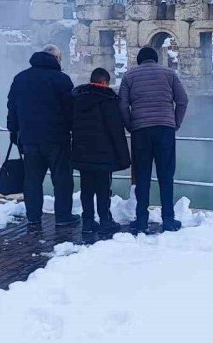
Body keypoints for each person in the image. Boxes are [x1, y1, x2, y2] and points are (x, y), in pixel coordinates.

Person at [6, 44, 79, 227]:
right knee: (62, 179)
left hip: (29, 139)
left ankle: (33, 217)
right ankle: (63, 217)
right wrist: (73, 130)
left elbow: (12, 108)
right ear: (56, 59)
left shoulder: (20, 78)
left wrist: (14, 132)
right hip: (57, 139)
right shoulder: (61, 80)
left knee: (32, 180)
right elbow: (71, 109)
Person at [118, 46, 189, 233]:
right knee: (166, 175)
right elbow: (182, 100)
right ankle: (168, 220)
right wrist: (175, 123)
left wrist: (130, 125)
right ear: (156, 59)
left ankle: (141, 221)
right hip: (165, 129)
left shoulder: (129, 76)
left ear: (139, 60)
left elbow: (123, 105)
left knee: (142, 176)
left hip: (140, 130)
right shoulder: (169, 74)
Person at [71, 68, 131, 235]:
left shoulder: (77, 99)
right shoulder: (108, 100)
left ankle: (88, 222)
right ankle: (105, 220)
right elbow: (116, 130)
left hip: (82, 152)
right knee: (103, 189)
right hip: (104, 154)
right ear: (104, 82)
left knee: (86, 189)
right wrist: (123, 157)